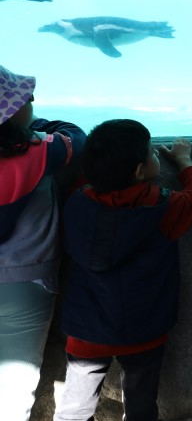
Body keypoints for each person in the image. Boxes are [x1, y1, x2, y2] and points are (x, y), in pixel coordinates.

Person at [54, 119, 192, 421]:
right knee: (141, 405)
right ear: (139, 171)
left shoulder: (76, 201)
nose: (155, 154)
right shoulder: (164, 207)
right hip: (144, 328)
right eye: (151, 152)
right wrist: (185, 162)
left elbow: (91, 181)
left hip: (86, 327)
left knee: (75, 407)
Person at [0, 66, 85, 421]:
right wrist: (35, 128)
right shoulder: (35, 150)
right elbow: (75, 137)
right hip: (26, 280)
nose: (31, 99)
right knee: (13, 386)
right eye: (22, 98)